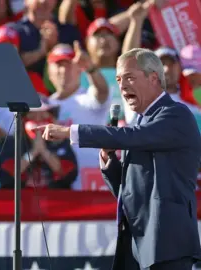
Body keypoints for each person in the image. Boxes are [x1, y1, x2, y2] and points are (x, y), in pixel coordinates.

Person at [36, 48, 201, 269]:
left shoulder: (175, 114)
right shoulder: (141, 124)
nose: (122, 86)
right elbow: (129, 191)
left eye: (130, 77)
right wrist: (110, 163)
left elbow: (134, 137)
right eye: (119, 79)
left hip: (167, 243)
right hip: (139, 245)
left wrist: (71, 132)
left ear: (154, 78)